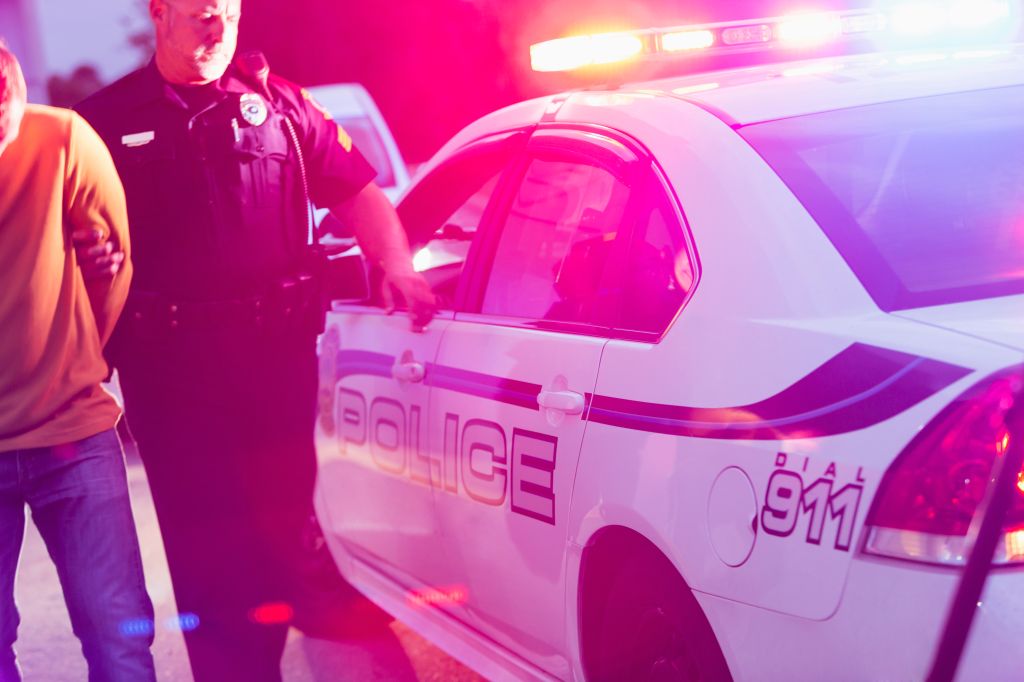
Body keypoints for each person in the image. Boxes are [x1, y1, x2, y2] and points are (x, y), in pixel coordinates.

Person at [74, 1, 436, 680]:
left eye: (227, 16)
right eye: (200, 15)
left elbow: (359, 192)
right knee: (208, 559)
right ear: (159, 12)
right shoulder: (103, 122)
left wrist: (395, 264)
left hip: (275, 369)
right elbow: (64, 231)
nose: (216, 30)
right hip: (171, 379)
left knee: (287, 541)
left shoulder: (281, 107)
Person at [0, 42, 156, 682]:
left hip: (73, 432)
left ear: (14, 77)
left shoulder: (64, 139)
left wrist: (67, 360)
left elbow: (110, 273)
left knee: (117, 635)